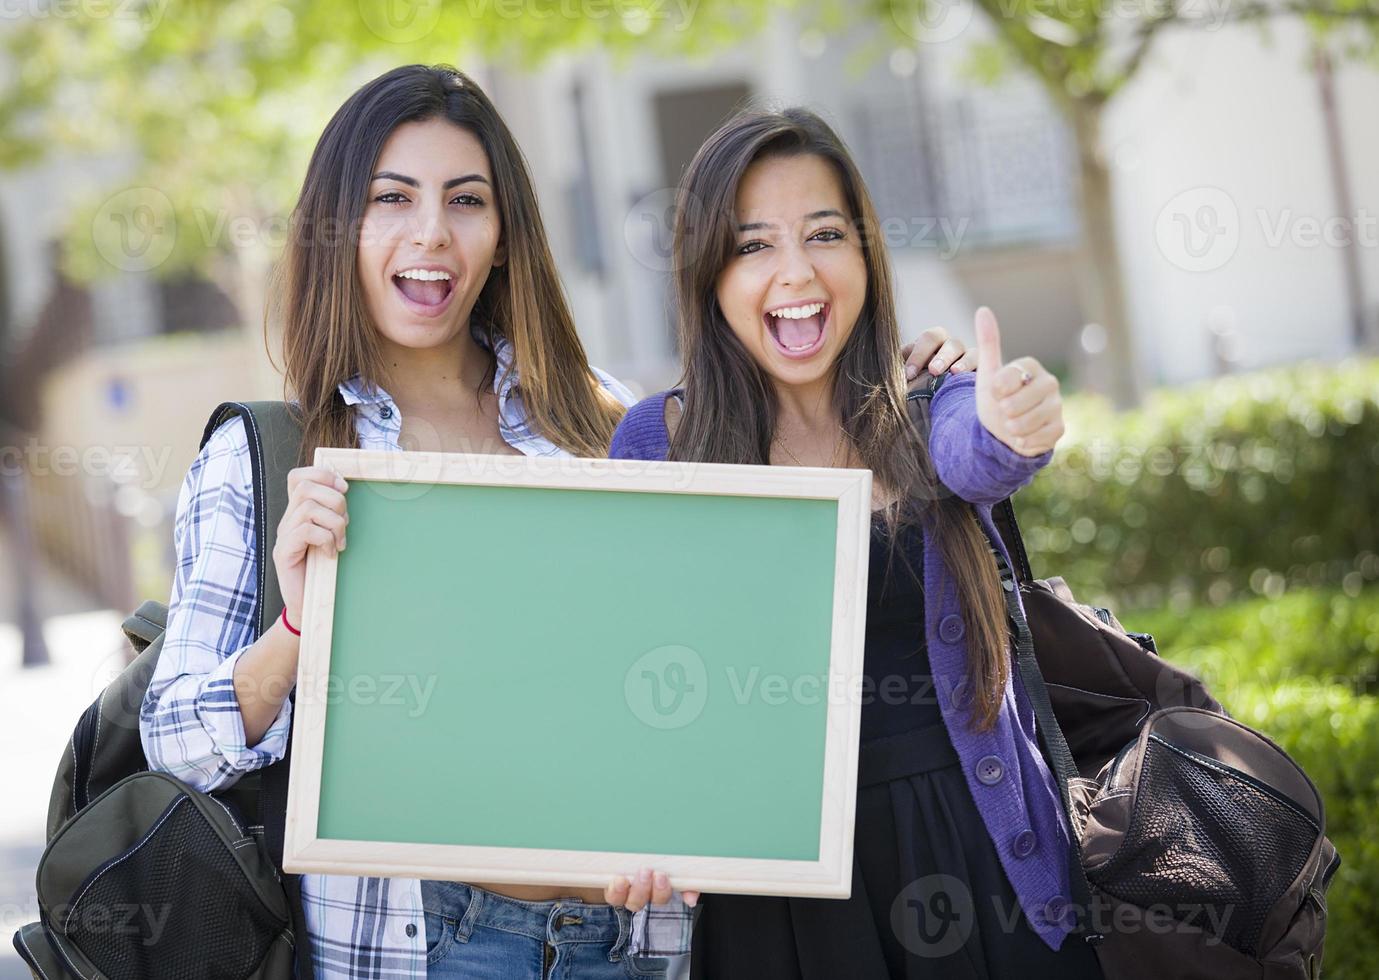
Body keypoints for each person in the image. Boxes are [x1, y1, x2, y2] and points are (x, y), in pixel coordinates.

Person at [139, 65, 973, 978]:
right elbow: (177, 744)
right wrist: (299, 627)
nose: (432, 233)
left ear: (502, 238)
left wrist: (896, 390)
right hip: (422, 945)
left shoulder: (603, 424)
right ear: (338, 230)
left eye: (466, 200)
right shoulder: (269, 456)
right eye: (392, 199)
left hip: (629, 943)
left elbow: (717, 653)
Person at [608, 107, 1104, 979]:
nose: (795, 271)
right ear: (708, 275)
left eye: (824, 234)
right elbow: (638, 668)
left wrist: (1011, 422)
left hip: (978, 847)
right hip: (776, 890)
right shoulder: (658, 439)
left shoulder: (928, 397)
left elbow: (977, 455)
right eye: (752, 244)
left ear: (866, 254)